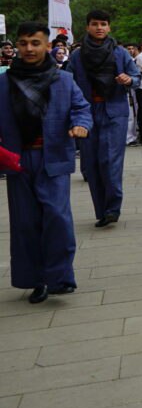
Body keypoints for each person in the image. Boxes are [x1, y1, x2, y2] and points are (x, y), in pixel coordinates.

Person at [1, 21, 91, 303]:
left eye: (35, 43)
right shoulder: (4, 81)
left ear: (48, 46)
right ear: (17, 45)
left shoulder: (63, 79)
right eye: (24, 43)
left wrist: (80, 124)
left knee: (57, 217)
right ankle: (34, 279)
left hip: (53, 157)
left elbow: (81, 108)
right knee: (25, 221)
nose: (29, 48)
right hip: (17, 159)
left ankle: (60, 277)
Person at [66, 10, 141, 227]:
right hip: (86, 111)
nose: (99, 28)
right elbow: (68, 83)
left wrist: (128, 79)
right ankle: (101, 210)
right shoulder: (77, 56)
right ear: (87, 27)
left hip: (114, 110)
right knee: (91, 162)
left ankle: (113, 208)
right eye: (95, 24)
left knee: (110, 160)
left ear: (109, 27)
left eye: (103, 24)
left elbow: (136, 77)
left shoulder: (120, 53)